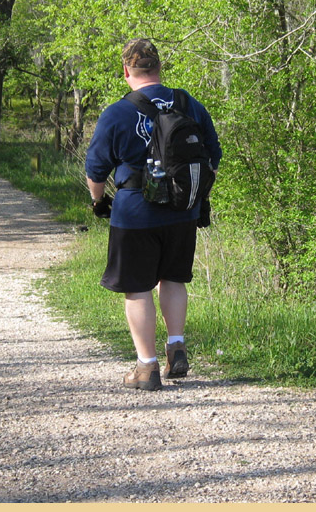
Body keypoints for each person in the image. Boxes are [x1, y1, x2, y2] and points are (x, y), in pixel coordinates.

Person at [85, 38, 221, 391]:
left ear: (126, 71)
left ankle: (146, 368)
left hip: (135, 215)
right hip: (183, 212)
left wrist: (98, 201)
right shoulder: (188, 103)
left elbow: (96, 169)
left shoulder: (117, 113)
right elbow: (213, 154)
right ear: (159, 69)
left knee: (137, 288)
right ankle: (176, 345)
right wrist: (193, 195)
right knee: (173, 278)